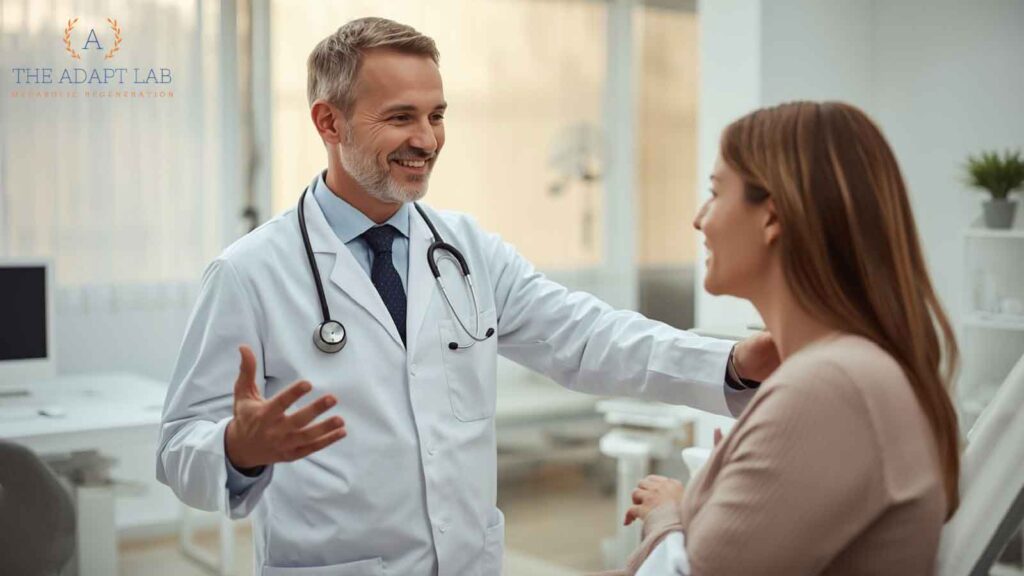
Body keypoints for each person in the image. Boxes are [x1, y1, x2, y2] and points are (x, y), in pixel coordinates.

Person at [156, 17, 778, 575]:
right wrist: (237, 449)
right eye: (401, 117)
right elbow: (179, 448)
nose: (427, 140)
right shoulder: (249, 273)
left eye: (437, 115)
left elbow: (587, 337)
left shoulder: (466, 250)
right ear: (328, 121)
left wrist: (728, 363)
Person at [609, 101, 961, 576]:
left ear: (772, 217)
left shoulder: (832, 389)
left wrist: (669, 515)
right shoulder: (845, 374)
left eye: (715, 193)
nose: (700, 219)